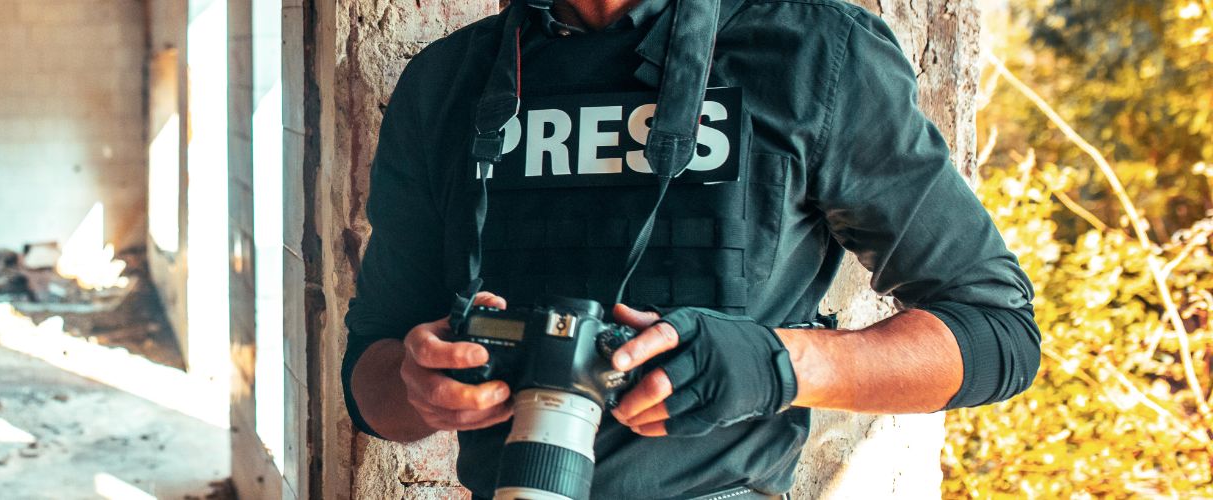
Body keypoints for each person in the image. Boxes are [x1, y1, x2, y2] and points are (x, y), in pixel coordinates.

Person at [339, 0, 1043, 498]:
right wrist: (418, 384)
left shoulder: (813, 53)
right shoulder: (448, 82)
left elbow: (997, 337)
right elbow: (368, 379)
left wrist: (778, 363)